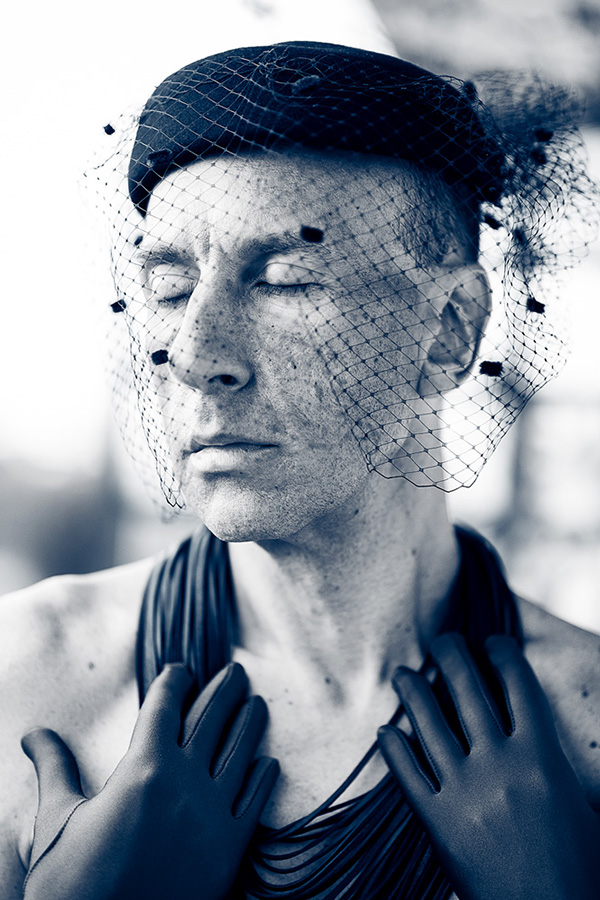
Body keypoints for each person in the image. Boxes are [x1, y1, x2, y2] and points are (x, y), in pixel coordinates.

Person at [1, 41, 599, 900]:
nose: (196, 354)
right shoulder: (29, 683)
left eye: (284, 280)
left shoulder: (583, 722)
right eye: (170, 288)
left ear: (451, 331)